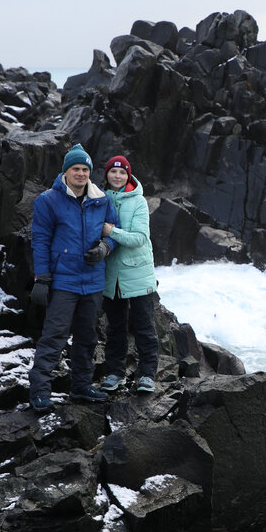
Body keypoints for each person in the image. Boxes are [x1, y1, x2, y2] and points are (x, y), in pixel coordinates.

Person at [27, 144, 119, 411]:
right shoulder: (48, 200)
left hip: (92, 280)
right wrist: (42, 278)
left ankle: (81, 387)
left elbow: (114, 231)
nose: (81, 173)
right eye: (76, 169)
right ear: (66, 172)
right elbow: (40, 241)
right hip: (63, 280)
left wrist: (104, 248)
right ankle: (40, 391)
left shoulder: (102, 200)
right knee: (54, 335)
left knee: (87, 336)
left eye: (85, 169)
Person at [98, 154, 161, 393]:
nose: (117, 176)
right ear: (107, 175)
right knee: (115, 328)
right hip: (111, 275)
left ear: (128, 176)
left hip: (138, 273)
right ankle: (116, 373)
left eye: (122, 172)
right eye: (113, 172)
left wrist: (111, 232)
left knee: (144, 326)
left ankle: (147, 374)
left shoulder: (139, 201)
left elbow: (139, 238)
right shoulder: (100, 198)